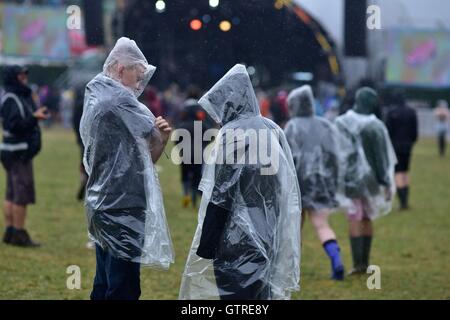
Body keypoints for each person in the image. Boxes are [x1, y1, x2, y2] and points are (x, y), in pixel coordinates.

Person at [179, 64, 301, 300]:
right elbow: (282, 185)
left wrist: (207, 245)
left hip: (236, 236)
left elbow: (222, 194)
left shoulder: (233, 135)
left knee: (237, 296)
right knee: (259, 294)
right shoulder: (270, 129)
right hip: (268, 229)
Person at [80, 37, 174, 300]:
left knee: (104, 280)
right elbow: (147, 138)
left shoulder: (96, 94)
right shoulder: (120, 102)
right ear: (121, 69)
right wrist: (158, 135)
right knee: (123, 286)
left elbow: (143, 160)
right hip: (123, 205)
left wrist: (161, 139)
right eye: (138, 74)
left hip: (101, 201)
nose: (140, 82)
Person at [284, 85, 344, 280]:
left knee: (295, 227)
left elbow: (287, 158)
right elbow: (334, 156)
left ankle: (293, 270)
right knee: (321, 224)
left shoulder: (292, 127)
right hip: (321, 182)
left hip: (298, 184)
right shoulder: (325, 125)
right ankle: (336, 259)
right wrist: (332, 181)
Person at [335, 87, 396, 275]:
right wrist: (385, 181)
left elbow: (335, 151)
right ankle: (365, 262)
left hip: (349, 179)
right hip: (370, 181)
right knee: (367, 216)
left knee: (354, 216)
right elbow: (381, 158)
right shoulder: (375, 126)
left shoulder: (341, 122)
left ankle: (357, 263)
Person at [0, 65, 49, 247]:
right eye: (20, 75)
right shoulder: (11, 99)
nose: (24, 78)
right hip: (17, 152)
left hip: (12, 151)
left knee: (11, 193)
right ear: (13, 77)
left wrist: (34, 114)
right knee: (20, 194)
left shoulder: (15, 96)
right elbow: (15, 125)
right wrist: (34, 118)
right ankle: (19, 233)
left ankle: (10, 231)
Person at [174, 85, 214, 208]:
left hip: (185, 148)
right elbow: (210, 134)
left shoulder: (183, 108)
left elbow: (177, 135)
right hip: (198, 148)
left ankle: (185, 194)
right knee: (197, 176)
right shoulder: (201, 109)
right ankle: (194, 200)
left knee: (185, 174)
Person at [385, 92, 418, 210]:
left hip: (395, 146)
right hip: (408, 145)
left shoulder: (391, 112)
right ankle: (406, 200)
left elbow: (387, 131)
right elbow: (415, 131)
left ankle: (403, 202)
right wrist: (411, 142)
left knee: (398, 172)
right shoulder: (411, 112)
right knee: (405, 171)